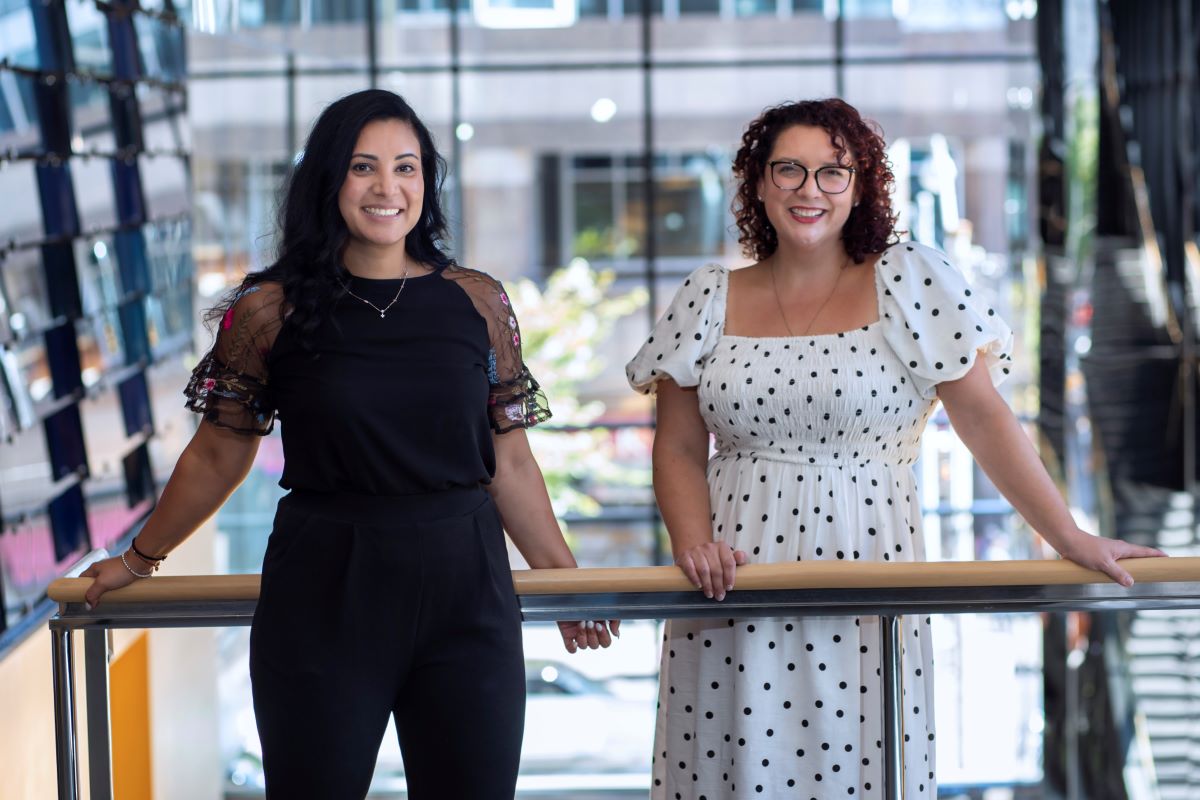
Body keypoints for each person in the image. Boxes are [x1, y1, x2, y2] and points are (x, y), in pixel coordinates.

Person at [80, 88, 616, 800]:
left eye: (407, 167)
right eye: (364, 168)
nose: (388, 188)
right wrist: (139, 560)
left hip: (467, 589)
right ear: (329, 180)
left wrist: (566, 580)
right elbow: (217, 453)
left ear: (427, 181)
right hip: (324, 588)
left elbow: (509, 461)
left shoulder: (477, 302)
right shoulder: (270, 310)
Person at [625, 98, 1164, 799]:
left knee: (857, 766)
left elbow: (986, 421)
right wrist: (694, 541)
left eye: (832, 172)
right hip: (735, 576)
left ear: (862, 185)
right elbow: (677, 446)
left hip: (865, 558)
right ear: (757, 183)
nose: (809, 190)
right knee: (734, 767)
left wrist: (1067, 535)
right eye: (788, 169)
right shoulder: (707, 296)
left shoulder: (910, 279)